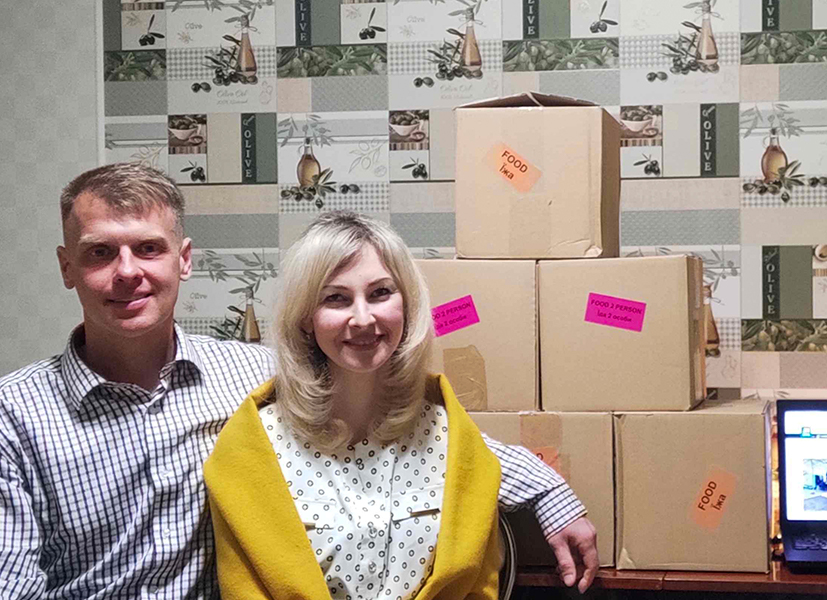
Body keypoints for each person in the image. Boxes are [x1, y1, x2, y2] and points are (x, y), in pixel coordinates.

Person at [0, 163, 596, 600]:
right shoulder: (16, 411)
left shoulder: (254, 376)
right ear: (66, 267)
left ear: (182, 260)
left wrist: (550, 492)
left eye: (148, 250)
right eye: (101, 253)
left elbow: (436, 443)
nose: (128, 273)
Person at [206, 211, 507, 598]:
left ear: (407, 305)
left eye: (381, 293)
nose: (363, 318)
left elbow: (479, 584)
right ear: (305, 319)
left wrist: (551, 494)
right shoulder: (253, 446)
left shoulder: (449, 430)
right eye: (336, 298)